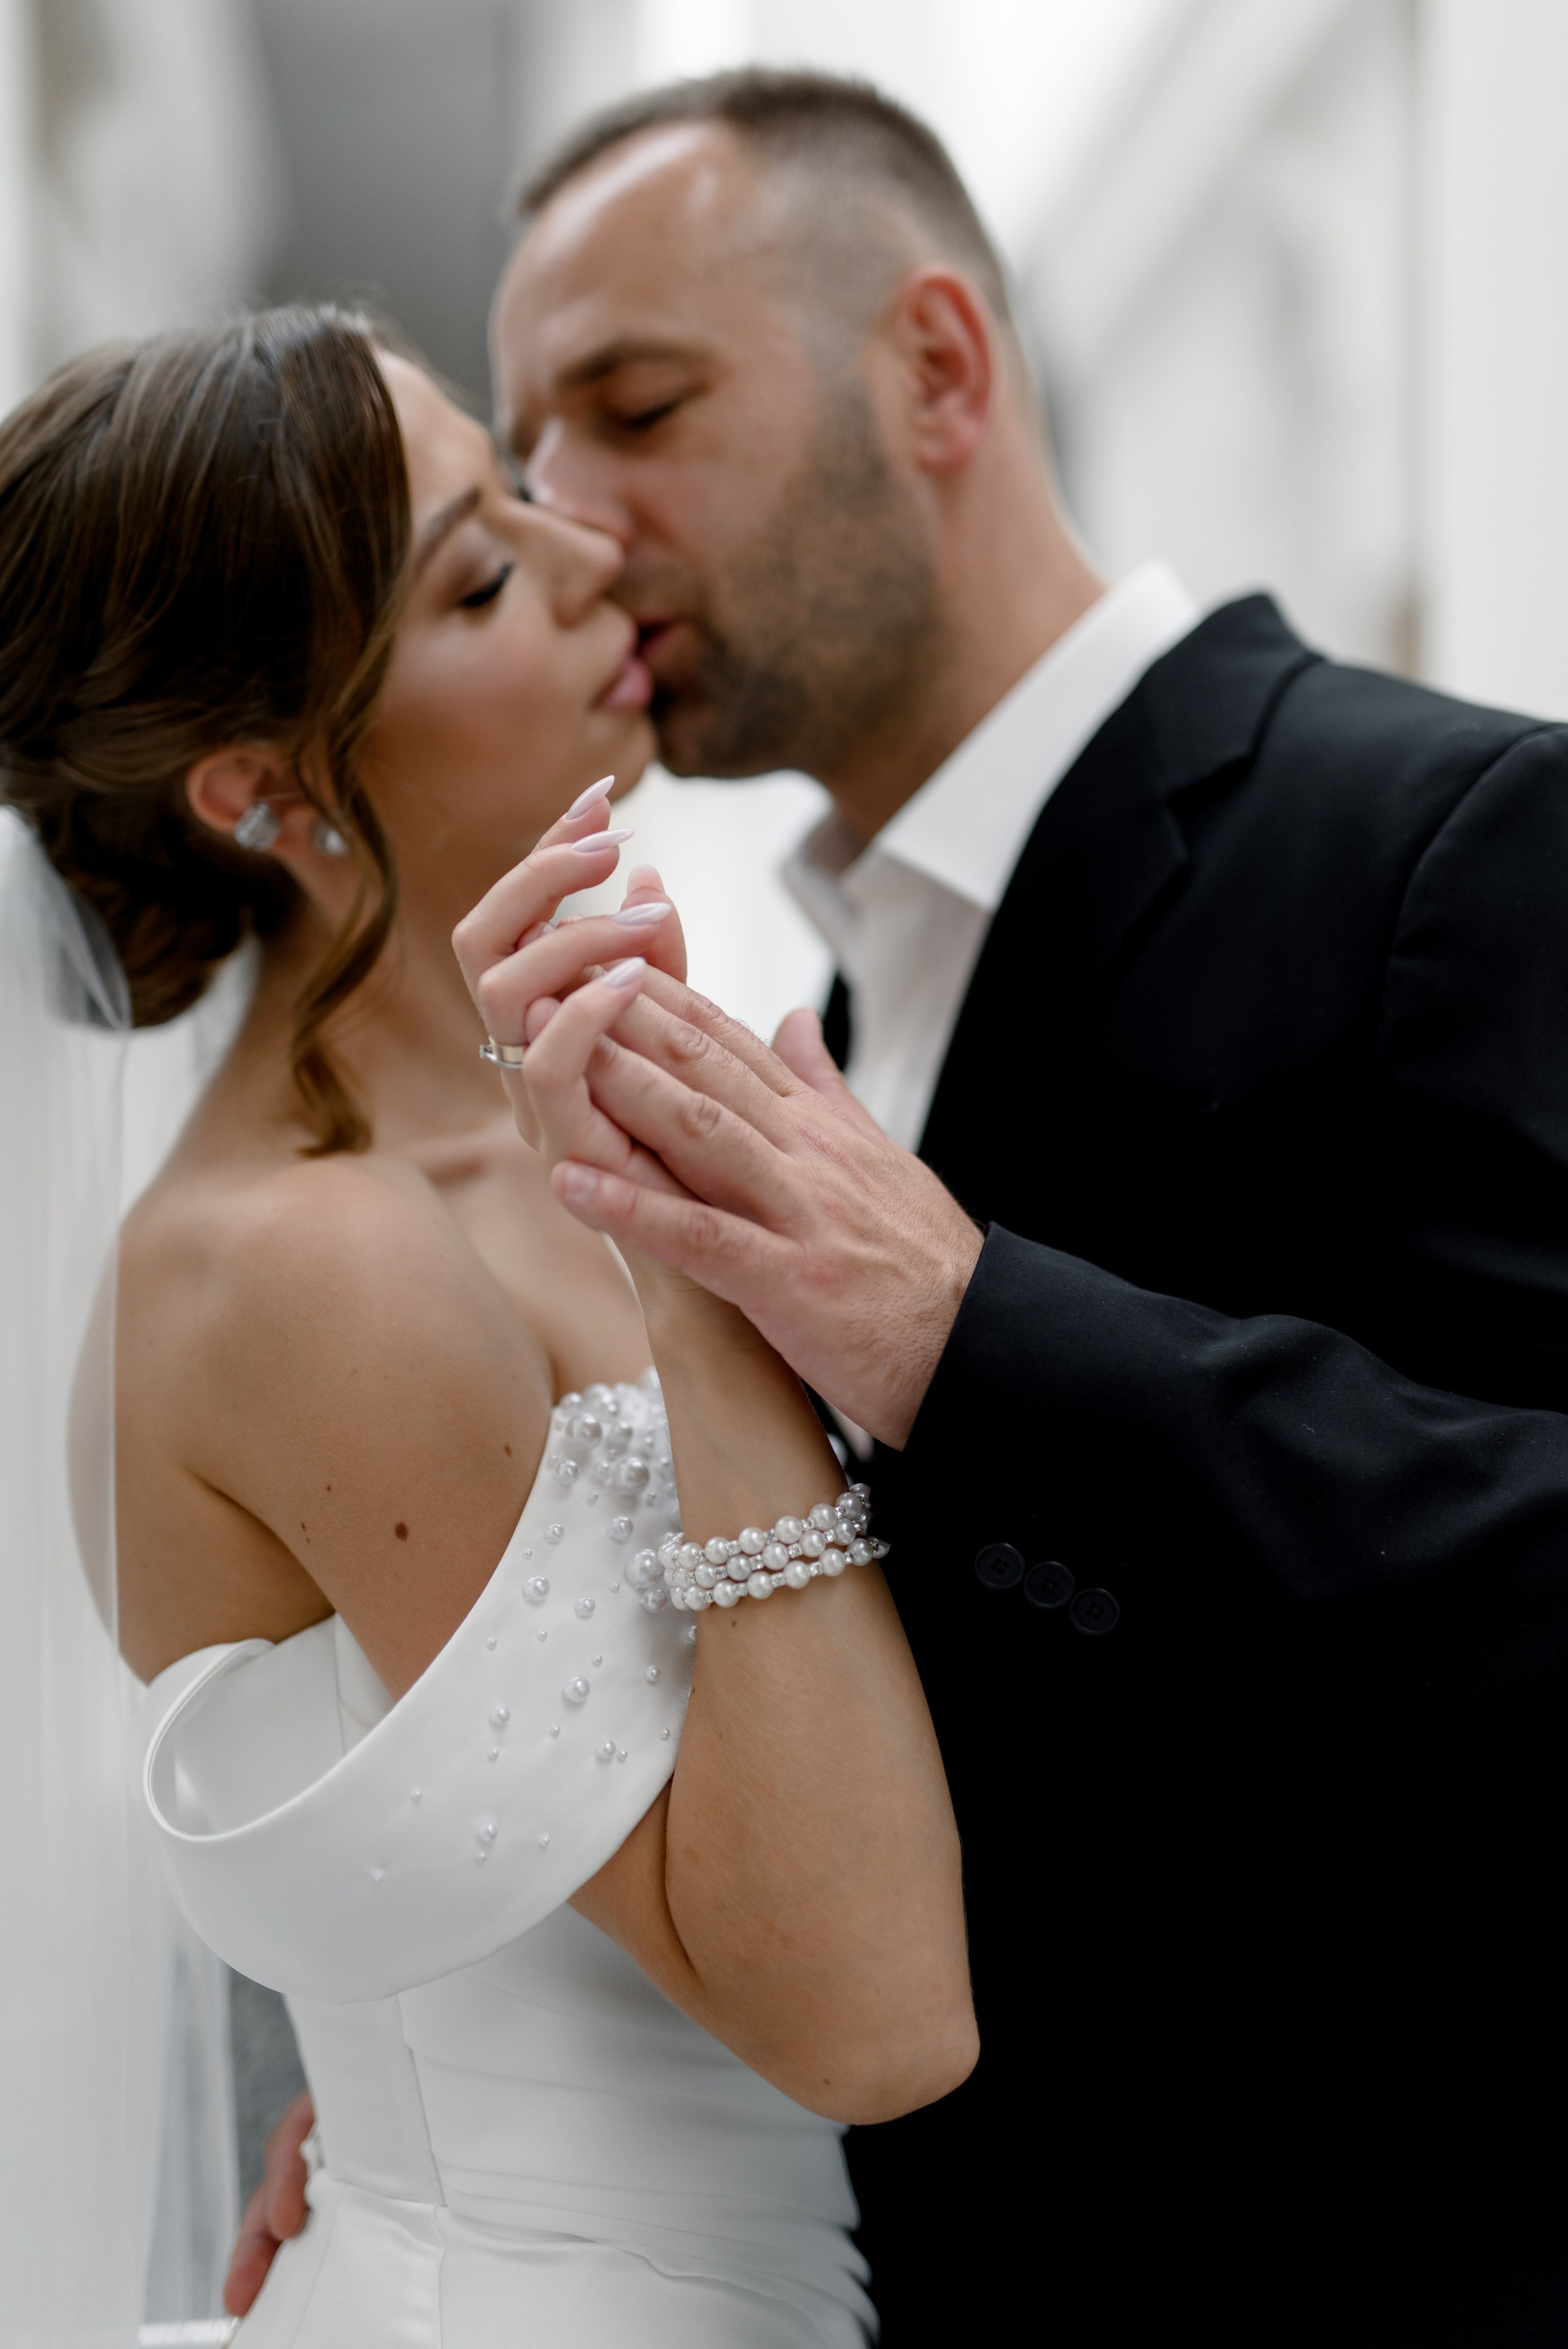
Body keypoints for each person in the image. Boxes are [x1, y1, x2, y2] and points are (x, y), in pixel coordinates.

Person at [481, 67, 1568, 2348]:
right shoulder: (839, 1040)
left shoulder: (1461, 837)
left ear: (940, 368)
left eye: (637, 406)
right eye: (522, 461)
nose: (570, 522)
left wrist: (980, 1336)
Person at [0, 303, 975, 2347]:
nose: (588, 557)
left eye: (518, 501)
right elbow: (868, 2012)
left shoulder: (548, 1124)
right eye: (474, 572)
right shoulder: (303, 1263)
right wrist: (696, 1290)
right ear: (263, 786)